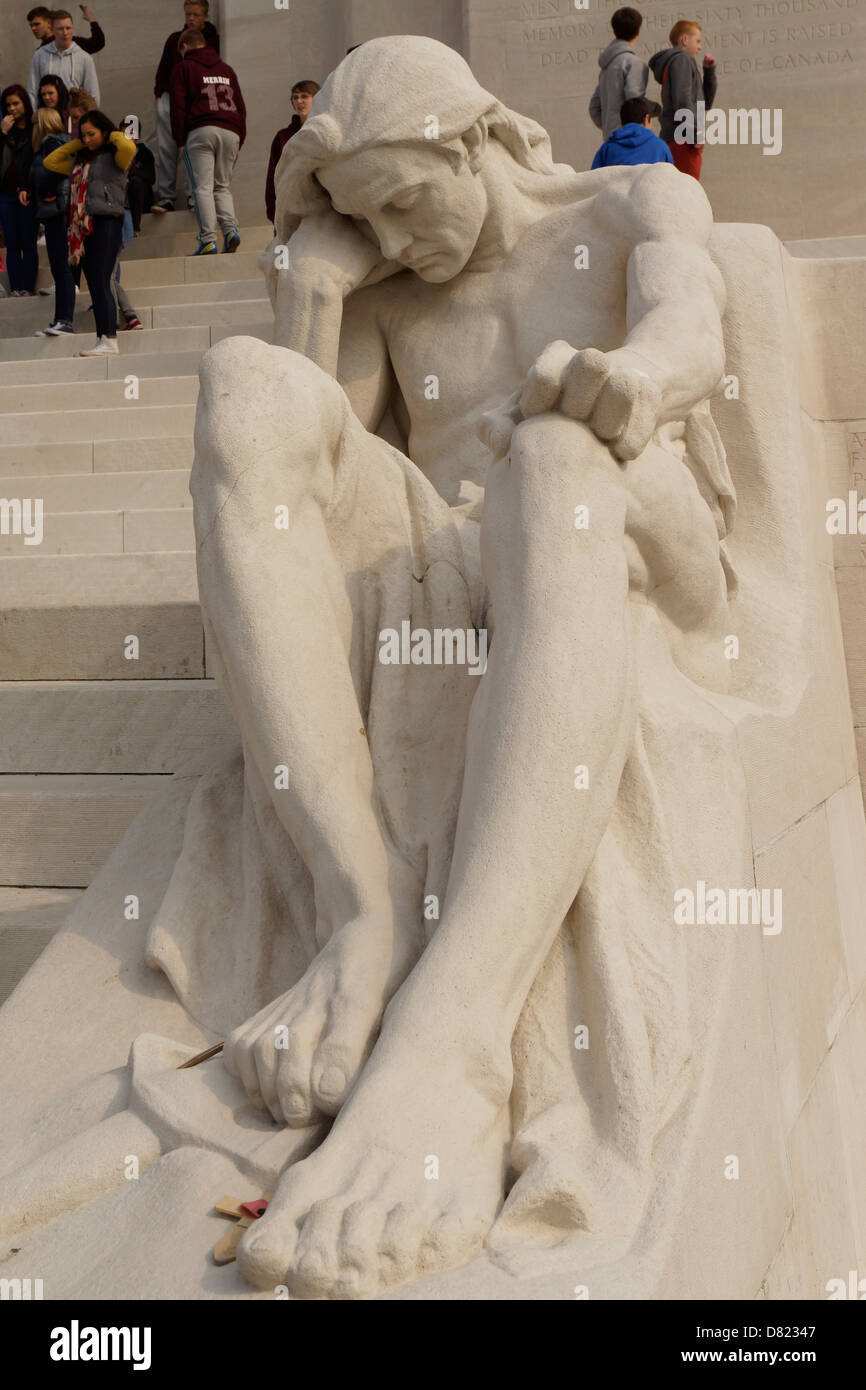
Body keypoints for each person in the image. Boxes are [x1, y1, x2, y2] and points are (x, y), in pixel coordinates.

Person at [180, 37, 741, 1298]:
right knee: (243, 391)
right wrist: (312, 299)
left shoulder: (631, 198)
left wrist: (622, 384)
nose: (390, 233)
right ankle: (360, 906)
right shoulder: (383, 286)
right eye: (359, 213)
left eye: (401, 197)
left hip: (635, 499)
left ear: (477, 141)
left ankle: (457, 1039)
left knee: (550, 462)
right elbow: (308, 475)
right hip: (457, 547)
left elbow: (688, 325)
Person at [44, 108, 135, 355]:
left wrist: (112, 135)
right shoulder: (80, 159)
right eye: (82, 135)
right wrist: (77, 142)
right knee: (94, 283)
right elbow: (50, 161)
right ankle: (103, 338)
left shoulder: (116, 155)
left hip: (107, 222)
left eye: (91, 134)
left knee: (101, 279)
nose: (86, 139)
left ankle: (110, 338)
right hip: (84, 227)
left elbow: (129, 148)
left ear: (104, 132)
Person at [170, 25, 244, 255]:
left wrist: (179, 139)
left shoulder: (184, 68)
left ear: (184, 46)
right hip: (231, 131)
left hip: (201, 130)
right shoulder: (227, 69)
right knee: (222, 186)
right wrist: (240, 137)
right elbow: (241, 106)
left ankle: (208, 240)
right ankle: (231, 230)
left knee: (202, 188)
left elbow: (178, 107)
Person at [153, 0, 219, 214]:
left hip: (196, 101)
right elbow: (163, 69)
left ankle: (192, 195)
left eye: (196, 15)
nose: (191, 18)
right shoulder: (175, 40)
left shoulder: (213, 40)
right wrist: (159, 97)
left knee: (193, 148)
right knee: (166, 150)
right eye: (188, 14)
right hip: (170, 98)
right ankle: (166, 198)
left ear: (205, 16)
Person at [24, 104, 76, 334]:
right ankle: (60, 319)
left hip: (57, 210)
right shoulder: (62, 141)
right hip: (59, 209)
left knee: (60, 266)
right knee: (60, 266)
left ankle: (64, 319)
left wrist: (43, 188)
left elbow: (54, 172)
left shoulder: (50, 143)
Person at [650, 20, 717, 180]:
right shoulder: (682, 60)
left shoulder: (680, 62)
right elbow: (682, 99)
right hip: (683, 139)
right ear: (685, 40)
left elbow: (704, 103)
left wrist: (709, 72)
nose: (700, 47)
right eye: (698, 41)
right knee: (687, 192)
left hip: (680, 136)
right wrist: (695, 133)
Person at [265, 79, 319, 229]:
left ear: (317, 98)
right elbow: (273, 176)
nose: (299, 101)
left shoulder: (323, 133)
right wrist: (273, 211)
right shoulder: (283, 137)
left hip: (321, 215)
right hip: (288, 213)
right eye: (295, 97)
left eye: (304, 96)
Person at [0, 85, 38, 296]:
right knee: (12, 242)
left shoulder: (34, 128)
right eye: (8, 105)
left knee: (28, 240)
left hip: (27, 193)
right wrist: (2, 132)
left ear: (24, 103)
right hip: (5, 194)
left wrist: (27, 186)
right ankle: (16, 287)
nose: (12, 108)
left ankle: (28, 286)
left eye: (16, 103)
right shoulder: (5, 130)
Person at [589, 7, 648, 141]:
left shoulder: (607, 66)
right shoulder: (633, 63)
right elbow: (635, 104)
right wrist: (656, 109)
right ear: (638, 31)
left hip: (611, 139)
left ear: (614, 31)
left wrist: (610, 126)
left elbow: (594, 108)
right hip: (632, 140)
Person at [28, 8, 100, 109]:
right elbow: (33, 90)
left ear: (73, 28)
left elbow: (93, 93)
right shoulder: (40, 55)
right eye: (60, 29)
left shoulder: (84, 57)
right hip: (48, 117)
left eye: (68, 28)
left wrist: (91, 119)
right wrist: (35, 117)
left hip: (73, 117)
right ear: (52, 29)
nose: (65, 32)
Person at [591, 95, 672, 168]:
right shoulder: (661, 147)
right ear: (646, 119)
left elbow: (594, 180)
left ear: (621, 122)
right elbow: (672, 180)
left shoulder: (607, 149)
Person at [28, 4, 105, 54]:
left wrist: (92, 20)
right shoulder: (40, 52)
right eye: (31, 25)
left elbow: (98, 43)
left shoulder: (69, 44)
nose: (33, 28)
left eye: (37, 24)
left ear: (49, 23)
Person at [124, 123, 156, 234]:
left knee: (136, 182)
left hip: (140, 195)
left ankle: (135, 226)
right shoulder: (117, 154)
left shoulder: (144, 153)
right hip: (121, 196)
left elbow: (151, 177)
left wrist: (132, 173)